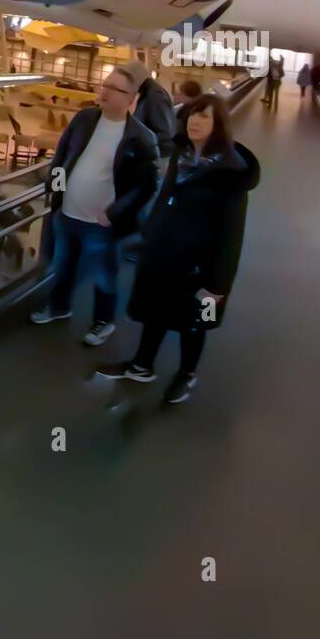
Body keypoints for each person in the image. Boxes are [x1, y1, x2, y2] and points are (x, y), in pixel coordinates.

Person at [96, 93, 258, 405]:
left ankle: (187, 374)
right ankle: (142, 365)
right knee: (155, 310)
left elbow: (231, 234)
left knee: (194, 323)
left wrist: (217, 285)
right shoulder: (182, 155)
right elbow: (165, 200)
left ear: (219, 125)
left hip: (201, 266)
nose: (196, 121)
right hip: (164, 254)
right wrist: (148, 236)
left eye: (205, 116)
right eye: (193, 114)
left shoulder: (230, 173)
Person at [32, 61, 160, 342]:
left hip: (101, 224)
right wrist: (55, 189)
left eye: (114, 89)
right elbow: (62, 156)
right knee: (61, 266)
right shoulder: (85, 119)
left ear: (130, 98)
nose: (104, 92)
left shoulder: (141, 138)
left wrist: (114, 213)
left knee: (104, 276)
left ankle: (104, 321)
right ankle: (59, 307)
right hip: (67, 213)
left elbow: (146, 187)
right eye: (105, 85)